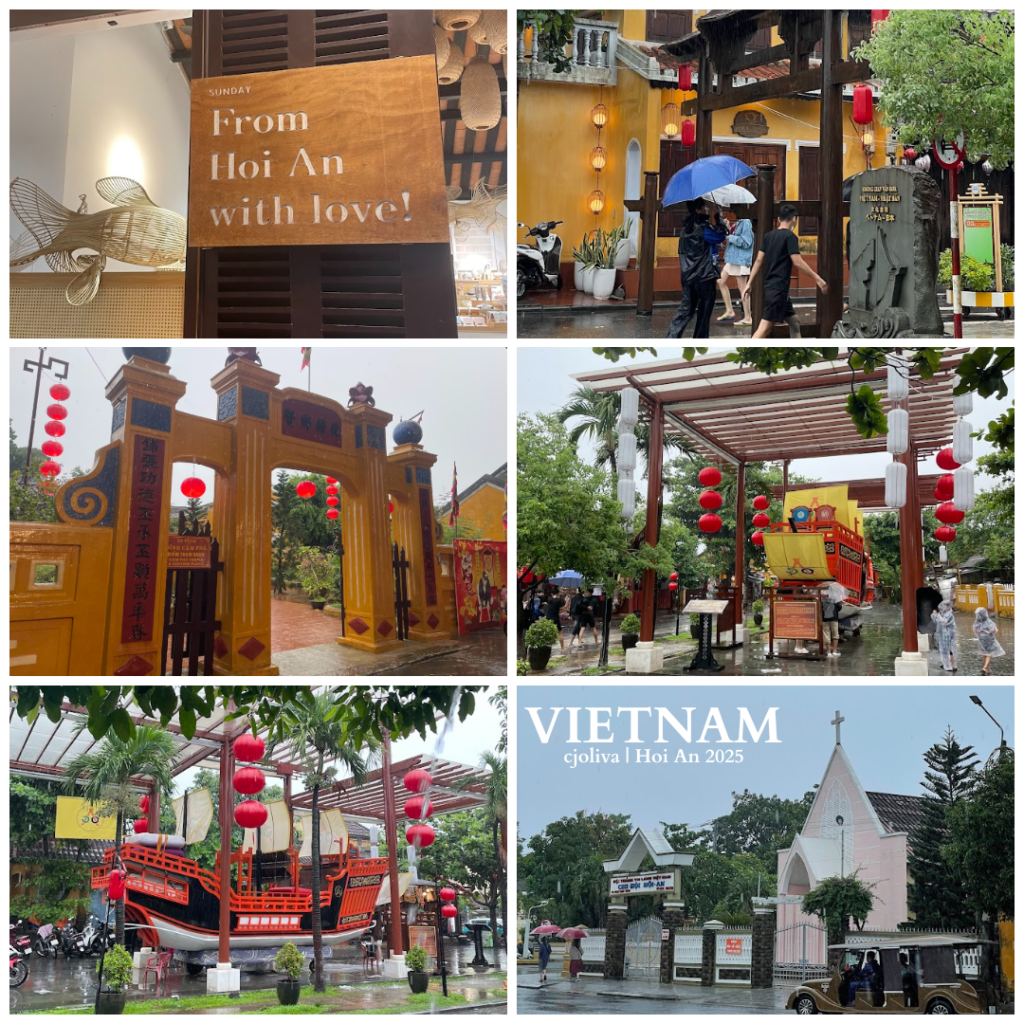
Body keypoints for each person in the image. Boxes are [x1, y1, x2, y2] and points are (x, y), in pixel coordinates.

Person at [741, 203, 828, 338]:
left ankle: (799, 352)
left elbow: (758, 261)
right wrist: (818, 279)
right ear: (794, 219)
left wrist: (749, 283)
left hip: (773, 288)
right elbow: (798, 262)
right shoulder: (790, 237)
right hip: (778, 290)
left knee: (795, 323)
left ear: (779, 218)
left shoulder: (768, 236)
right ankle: (746, 355)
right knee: (763, 330)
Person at [667, 198, 727, 339]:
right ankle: (700, 340)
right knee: (704, 313)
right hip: (705, 276)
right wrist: (718, 215)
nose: (707, 209)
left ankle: (671, 337)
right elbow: (721, 235)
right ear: (698, 209)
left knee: (685, 310)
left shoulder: (685, 230)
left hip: (688, 277)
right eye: (705, 207)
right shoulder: (703, 228)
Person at [716, 214, 754, 326]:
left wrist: (729, 237)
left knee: (743, 287)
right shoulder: (739, 222)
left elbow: (747, 242)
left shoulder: (746, 221)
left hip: (741, 259)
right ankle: (729, 311)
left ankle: (748, 317)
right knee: (720, 281)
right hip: (733, 258)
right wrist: (728, 228)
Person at [973, 607, 1005, 674]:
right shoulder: (988, 621)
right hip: (989, 639)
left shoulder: (977, 622)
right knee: (989, 654)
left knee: (984, 653)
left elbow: (976, 630)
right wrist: (989, 632)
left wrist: (980, 634)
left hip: (981, 640)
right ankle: (984, 667)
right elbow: (994, 630)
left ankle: (987, 668)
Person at [931, 599, 957, 672]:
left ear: (948, 607)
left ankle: (953, 665)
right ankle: (945, 663)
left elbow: (944, 622)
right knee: (943, 649)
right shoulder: (943, 613)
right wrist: (935, 615)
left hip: (949, 635)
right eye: (942, 605)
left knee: (949, 650)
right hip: (942, 634)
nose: (942, 607)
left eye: (944, 606)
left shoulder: (950, 615)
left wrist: (938, 616)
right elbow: (936, 620)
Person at [821, 582, 843, 658]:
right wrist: (840, 602)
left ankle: (828, 652)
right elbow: (839, 608)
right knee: (835, 635)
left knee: (826, 635)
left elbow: (820, 609)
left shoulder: (822, 598)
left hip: (824, 619)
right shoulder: (835, 598)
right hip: (834, 618)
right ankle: (835, 651)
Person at [545, 586, 566, 652]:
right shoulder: (559, 601)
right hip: (555, 619)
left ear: (552, 594)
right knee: (559, 633)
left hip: (548, 618)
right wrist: (567, 600)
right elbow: (564, 608)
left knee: (548, 633)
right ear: (558, 594)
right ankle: (562, 648)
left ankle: (547, 647)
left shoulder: (549, 599)